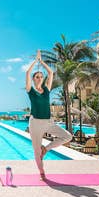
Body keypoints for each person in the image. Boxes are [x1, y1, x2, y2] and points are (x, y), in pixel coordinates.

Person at [26, 50, 72, 180]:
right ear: (34, 80)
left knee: (67, 136)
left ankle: (46, 149)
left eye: (41, 76)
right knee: (36, 152)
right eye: (37, 77)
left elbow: (51, 73)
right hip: (35, 123)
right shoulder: (31, 91)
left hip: (48, 122)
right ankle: (41, 172)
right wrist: (35, 61)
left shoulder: (46, 90)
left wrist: (42, 62)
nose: (40, 78)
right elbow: (27, 73)